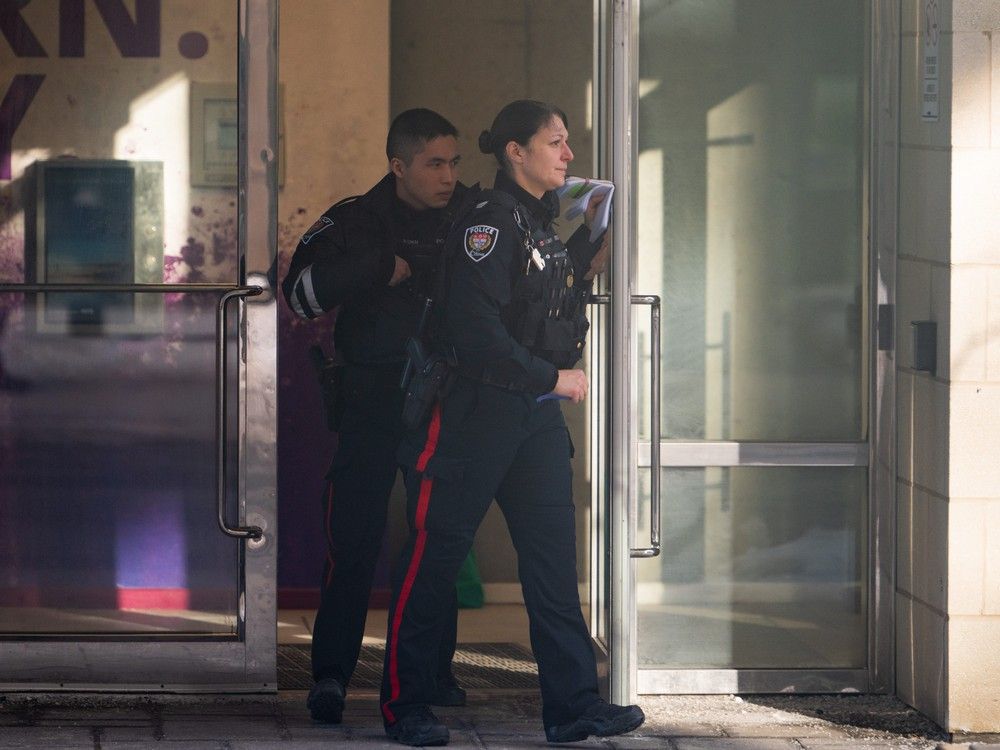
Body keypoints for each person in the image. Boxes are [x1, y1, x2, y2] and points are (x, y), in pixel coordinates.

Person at [379, 100, 639, 747]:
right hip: (475, 413)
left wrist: (592, 231)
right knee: (436, 559)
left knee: (552, 564)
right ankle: (406, 705)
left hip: (534, 420)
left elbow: (550, 294)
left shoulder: (536, 223)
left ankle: (574, 706)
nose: (568, 155)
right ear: (515, 153)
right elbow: (475, 330)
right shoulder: (490, 223)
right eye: (555, 142)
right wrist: (553, 379)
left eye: (567, 143)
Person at [282, 108, 467, 724]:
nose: (447, 175)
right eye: (434, 163)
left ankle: (432, 674)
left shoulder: (470, 215)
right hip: (368, 402)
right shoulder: (357, 219)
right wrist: (378, 268)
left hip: (439, 404)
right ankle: (331, 675)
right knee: (355, 540)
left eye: (453, 161)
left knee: (434, 541)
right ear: (398, 165)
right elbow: (299, 292)